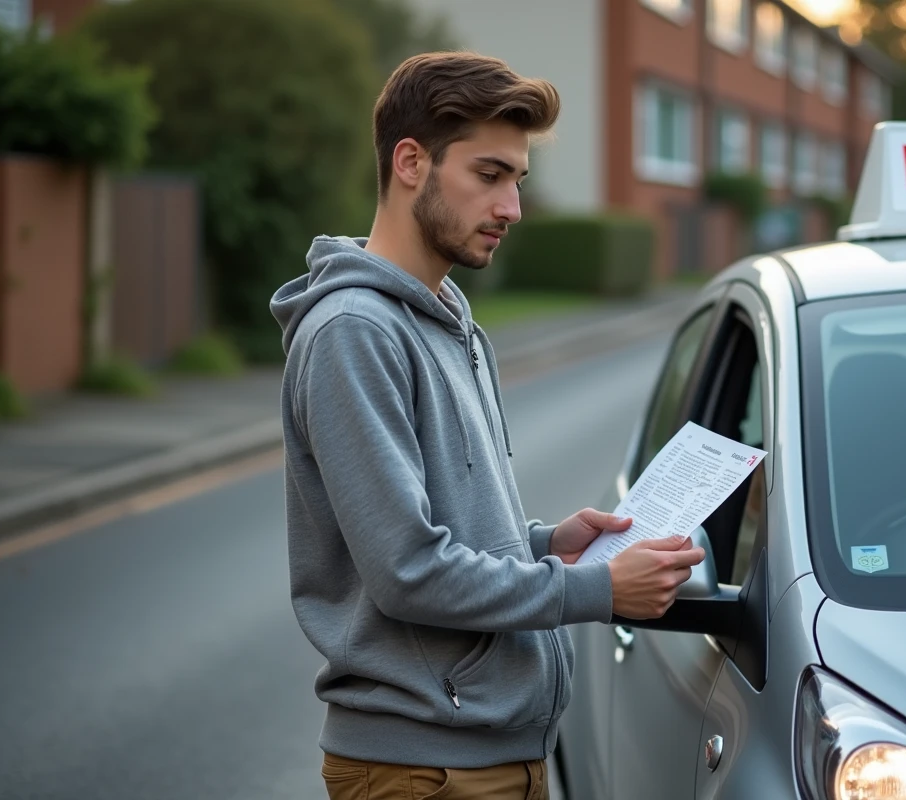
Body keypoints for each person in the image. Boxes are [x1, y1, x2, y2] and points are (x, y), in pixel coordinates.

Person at [269, 51, 706, 800]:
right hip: (422, 769)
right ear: (411, 162)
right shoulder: (354, 331)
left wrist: (546, 544)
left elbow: (441, 528)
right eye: (489, 175)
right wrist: (596, 591)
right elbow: (407, 569)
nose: (512, 207)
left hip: (492, 752)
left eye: (517, 181)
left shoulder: (451, 320)